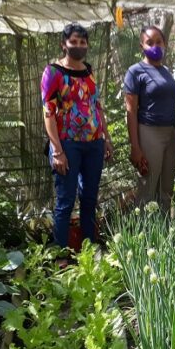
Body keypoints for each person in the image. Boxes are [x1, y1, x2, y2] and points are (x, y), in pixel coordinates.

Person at [41, 23, 114, 248]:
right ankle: (60, 255)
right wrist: (58, 151)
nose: (79, 46)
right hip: (67, 145)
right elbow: (48, 112)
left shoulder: (89, 71)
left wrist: (106, 139)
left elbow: (96, 106)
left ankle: (88, 251)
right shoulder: (53, 72)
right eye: (74, 42)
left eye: (83, 42)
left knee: (90, 199)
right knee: (65, 202)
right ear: (64, 44)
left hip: (93, 144)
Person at [122, 26, 175, 212]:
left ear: (164, 44)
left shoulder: (165, 70)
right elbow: (130, 111)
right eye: (150, 42)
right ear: (142, 45)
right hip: (149, 132)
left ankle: (164, 234)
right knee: (148, 188)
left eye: (159, 42)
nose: (155, 46)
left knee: (166, 189)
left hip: (170, 135)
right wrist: (135, 147)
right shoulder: (135, 71)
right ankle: (144, 235)